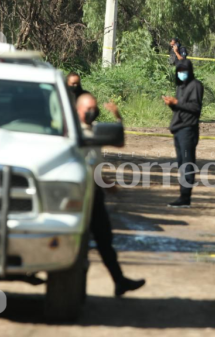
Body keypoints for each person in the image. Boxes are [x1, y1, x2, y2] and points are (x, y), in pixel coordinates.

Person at [76, 93, 146, 297]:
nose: (92, 111)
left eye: (94, 107)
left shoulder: (95, 130)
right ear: (77, 110)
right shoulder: (69, 132)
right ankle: (74, 289)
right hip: (74, 194)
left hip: (94, 193)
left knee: (104, 239)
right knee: (78, 244)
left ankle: (119, 281)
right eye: (88, 108)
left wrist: (118, 118)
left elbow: (118, 142)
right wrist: (106, 183)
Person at [162, 59, 204, 208]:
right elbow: (180, 109)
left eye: (184, 71)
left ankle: (185, 197)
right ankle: (183, 195)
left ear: (190, 71)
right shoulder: (180, 87)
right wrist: (171, 104)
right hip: (178, 129)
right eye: (179, 71)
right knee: (181, 163)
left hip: (188, 129)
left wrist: (177, 103)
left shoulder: (196, 86)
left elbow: (195, 107)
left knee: (187, 163)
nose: (181, 74)